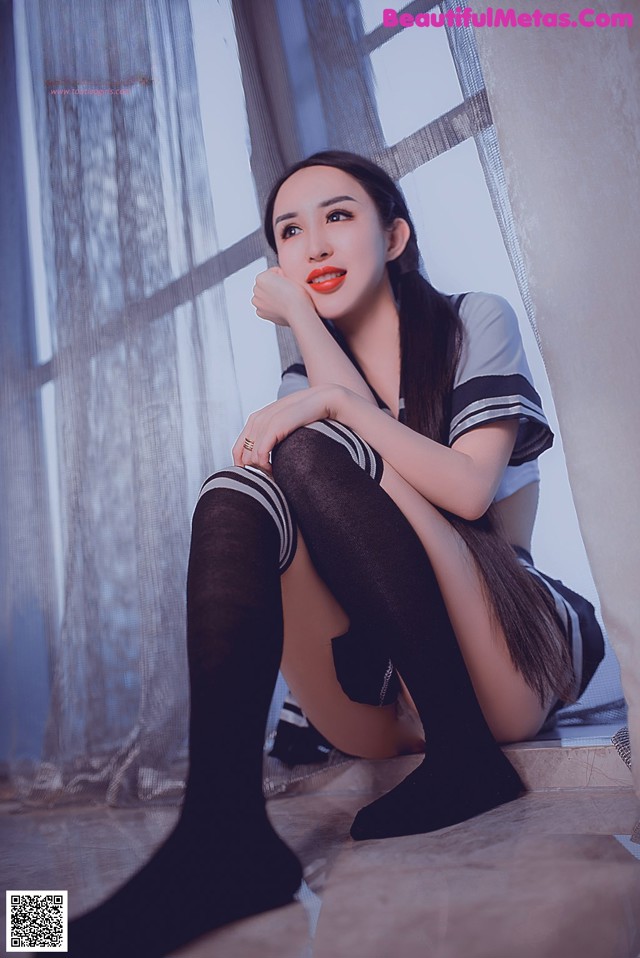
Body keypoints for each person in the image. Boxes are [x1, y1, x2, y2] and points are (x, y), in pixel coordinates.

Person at [69, 150, 604, 957]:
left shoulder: (473, 318)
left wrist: (323, 395)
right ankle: (221, 832)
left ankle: (465, 756)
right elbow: (312, 451)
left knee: (313, 445)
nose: (313, 246)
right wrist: (315, 363)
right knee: (235, 490)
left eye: (338, 217)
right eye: (291, 231)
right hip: (383, 698)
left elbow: (467, 494)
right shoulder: (308, 371)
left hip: (502, 659)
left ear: (394, 236)